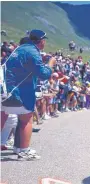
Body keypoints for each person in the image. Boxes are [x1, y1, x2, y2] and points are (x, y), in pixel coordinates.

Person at [1, 29, 55, 160]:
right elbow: (43, 74)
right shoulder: (32, 52)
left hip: (7, 89)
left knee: (8, 118)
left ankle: (18, 147)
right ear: (41, 41)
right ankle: (24, 150)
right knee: (26, 120)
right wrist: (50, 64)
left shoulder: (19, 49)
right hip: (21, 91)